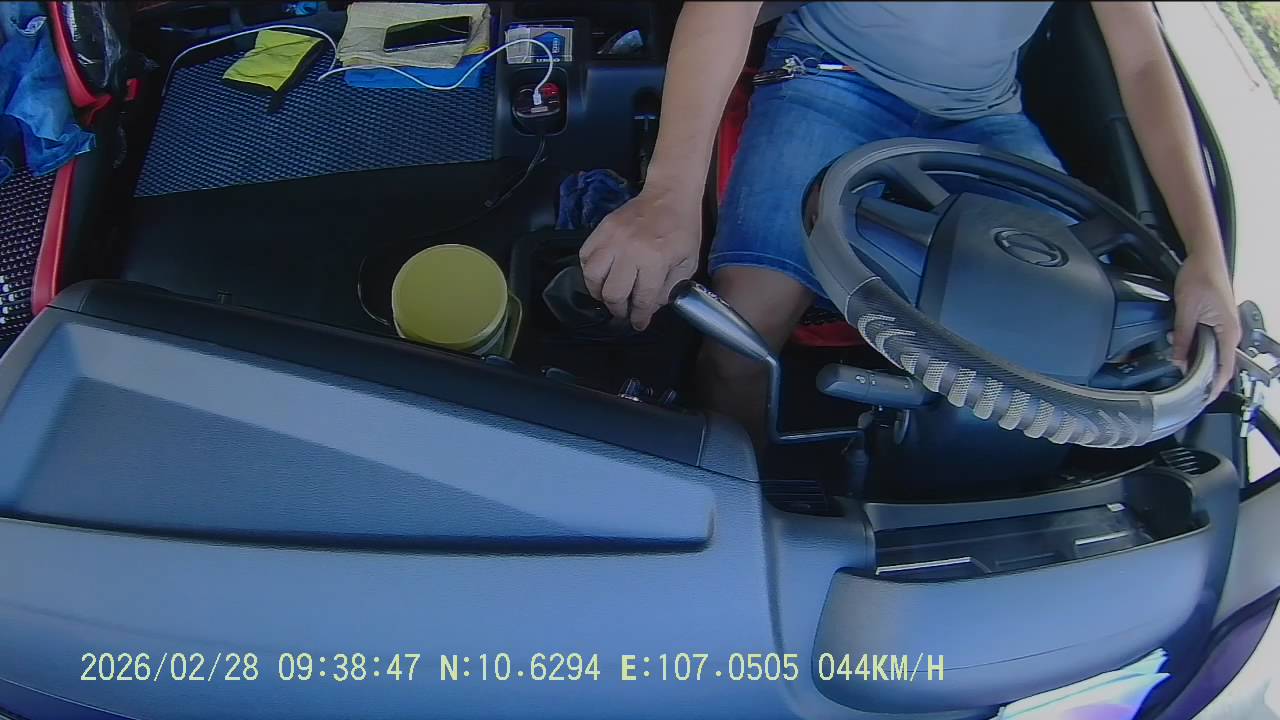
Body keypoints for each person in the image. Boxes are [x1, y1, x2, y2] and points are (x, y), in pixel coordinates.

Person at [578, 1, 1242, 446]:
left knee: (1089, 348)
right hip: (830, 75)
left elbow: (1143, 62)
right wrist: (669, 194)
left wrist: (1205, 259)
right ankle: (744, 501)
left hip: (985, 115)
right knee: (740, 344)